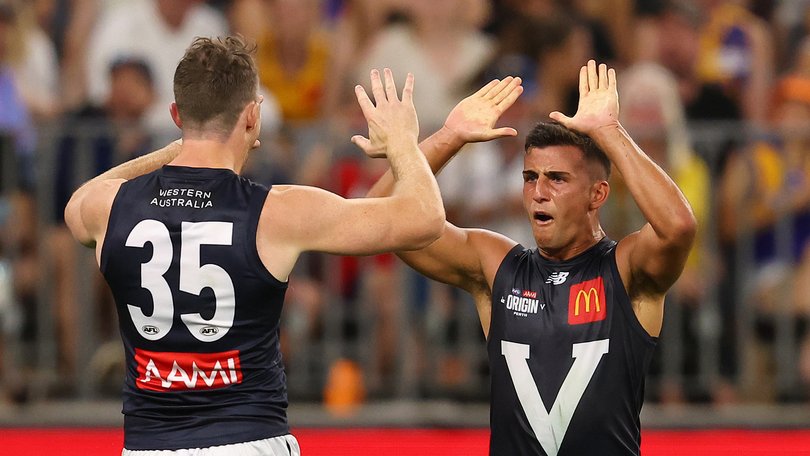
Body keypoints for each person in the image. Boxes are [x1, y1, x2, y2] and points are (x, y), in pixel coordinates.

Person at [63, 35, 446, 455]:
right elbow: (424, 219)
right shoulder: (276, 211)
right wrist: (404, 141)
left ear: (176, 115)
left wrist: (170, 153)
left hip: (147, 446)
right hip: (248, 439)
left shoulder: (110, 205)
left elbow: (77, 202)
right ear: (252, 117)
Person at [364, 60, 697, 455]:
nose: (538, 191)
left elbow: (678, 227)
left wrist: (610, 132)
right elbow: (377, 219)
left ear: (598, 194)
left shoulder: (625, 271)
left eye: (557, 178)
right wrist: (449, 137)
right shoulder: (497, 266)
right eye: (529, 177)